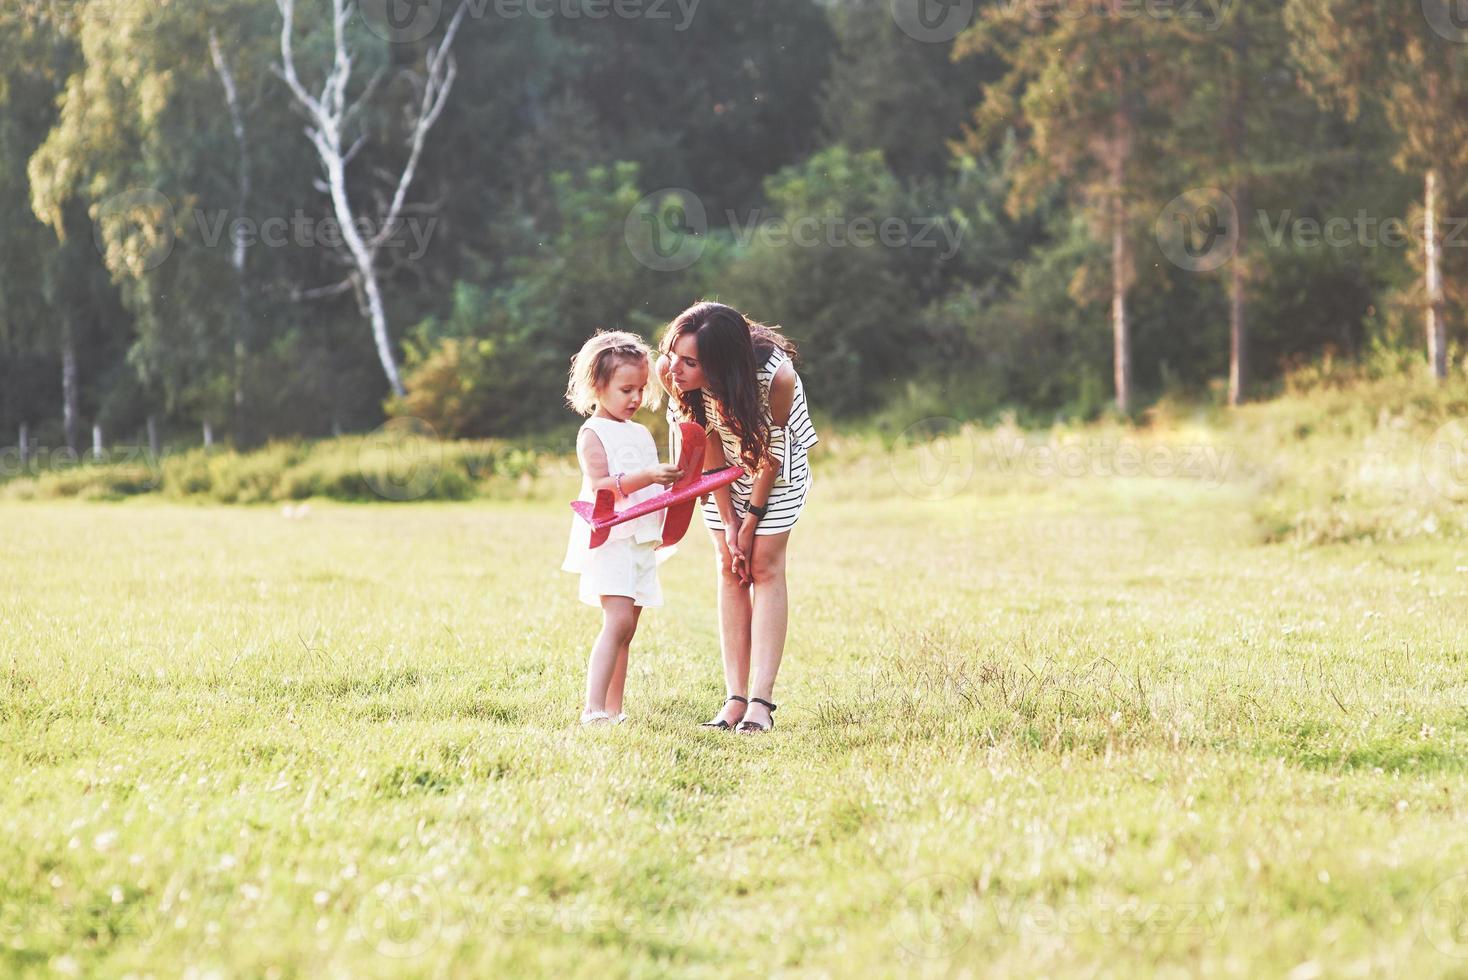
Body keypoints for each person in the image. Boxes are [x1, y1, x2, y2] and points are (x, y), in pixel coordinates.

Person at [657, 302, 818, 734]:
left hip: (774, 472)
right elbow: (706, 445)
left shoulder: (775, 377)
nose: (674, 368)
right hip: (721, 470)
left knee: (763, 566)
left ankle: (761, 704)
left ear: (721, 365)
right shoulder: (672, 373)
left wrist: (751, 521)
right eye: (674, 354)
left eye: (690, 362)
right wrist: (730, 523)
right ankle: (734, 700)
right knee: (731, 568)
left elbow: (771, 457)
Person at [562, 331, 682, 726]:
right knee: (616, 622)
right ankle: (593, 709)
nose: (635, 398)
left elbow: (652, 487)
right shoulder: (593, 434)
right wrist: (647, 474)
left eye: (640, 389)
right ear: (598, 386)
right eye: (625, 389)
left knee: (628, 629)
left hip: (640, 539)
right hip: (611, 537)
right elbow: (601, 486)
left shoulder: (640, 432)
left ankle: (614, 710)